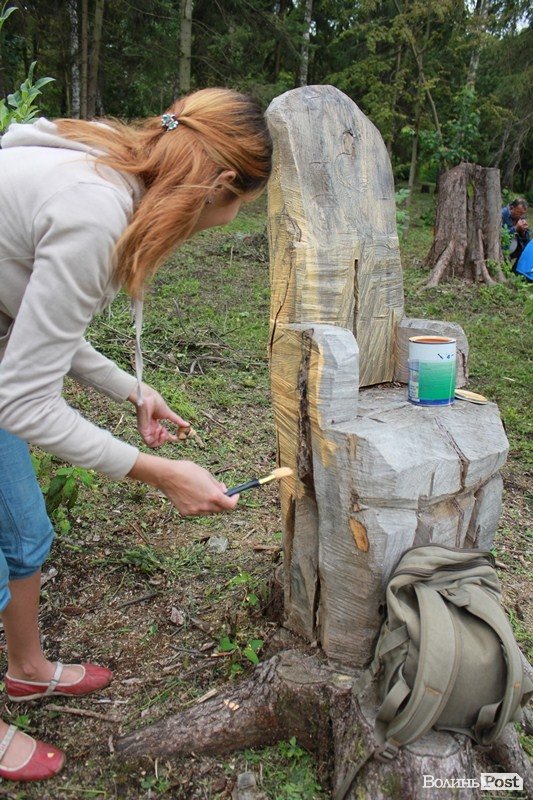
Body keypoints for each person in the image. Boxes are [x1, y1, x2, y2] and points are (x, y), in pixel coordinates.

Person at [0, 87, 272, 781]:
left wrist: (131, 388)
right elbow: (25, 403)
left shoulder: (114, 158)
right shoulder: (96, 212)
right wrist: (158, 472)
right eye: (241, 204)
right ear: (218, 184)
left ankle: (27, 669)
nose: (233, 220)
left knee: (24, 533)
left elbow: (34, 317)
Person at [501, 197, 531, 264]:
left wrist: (523, 232)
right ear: (512, 208)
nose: (520, 215)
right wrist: (515, 228)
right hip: (502, 251)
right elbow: (499, 234)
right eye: (518, 212)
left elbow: (527, 239)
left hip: (516, 251)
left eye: (523, 213)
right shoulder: (502, 214)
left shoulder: (520, 216)